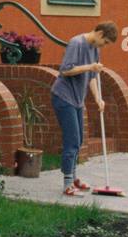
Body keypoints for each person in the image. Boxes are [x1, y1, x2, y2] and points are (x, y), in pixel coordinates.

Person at [50, 21, 118, 197]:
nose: (105, 46)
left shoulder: (95, 49)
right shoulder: (76, 43)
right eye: (106, 42)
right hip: (63, 97)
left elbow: (92, 77)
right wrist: (90, 67)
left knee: (79, 140)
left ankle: (74, 178)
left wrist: (98, 99)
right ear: (100, 34)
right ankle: (67, 183)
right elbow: (65, 70)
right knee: (72, 140)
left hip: (77, 100)